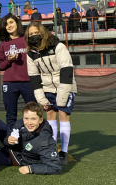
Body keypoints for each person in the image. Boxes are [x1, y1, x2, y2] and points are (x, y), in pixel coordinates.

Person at [25, 22, 77, 165]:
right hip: (48, 88)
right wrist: (41, 99)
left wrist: (61, 98)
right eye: (30, 34)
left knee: (63, 114)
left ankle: (64, 152)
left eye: (36, 33)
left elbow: (67, 70)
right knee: (50, 114)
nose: (33, 36)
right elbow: (34, 77)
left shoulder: (58, 46)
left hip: (65, 86)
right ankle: (52, 148)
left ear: (43, 33)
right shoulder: (30, 53)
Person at [0, 102, 63, 174]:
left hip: (15, 157)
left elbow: (56, 168)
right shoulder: (22, 122)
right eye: (26, 118)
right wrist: (8, 140)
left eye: (33, 119)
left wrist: (31, 168)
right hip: (12, 147)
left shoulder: (45, 140)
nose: (29, 122)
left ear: (40, 120)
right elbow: (9, 136)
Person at [0, 14, 36, 126]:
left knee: (32, 113)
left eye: (11, 22)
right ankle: (11, 141)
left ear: (16, 23)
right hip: (9, 83)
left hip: (28, 82)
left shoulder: (27, 39)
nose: (9, 26)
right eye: (6, 24)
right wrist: (9, 60)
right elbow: (1, 66)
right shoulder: (3, 44)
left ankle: (34, 140)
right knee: (10, 115)